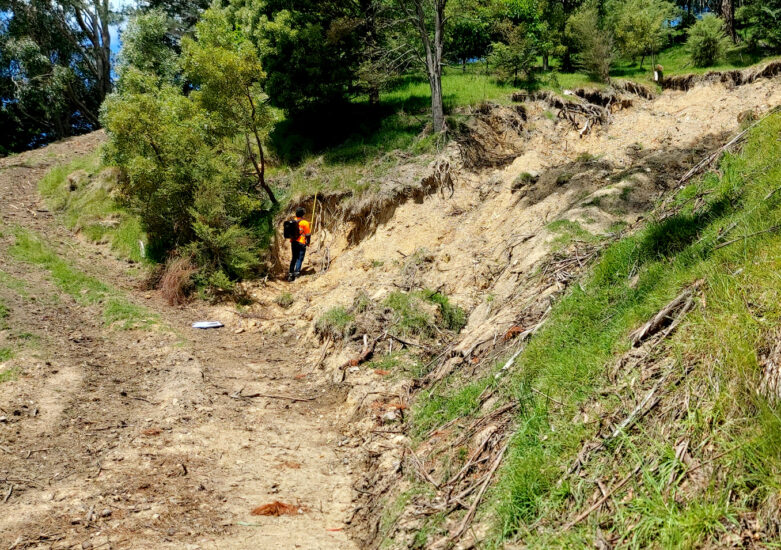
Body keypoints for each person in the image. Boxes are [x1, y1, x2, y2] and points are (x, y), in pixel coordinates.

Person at [288, 207, 311, 281]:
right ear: (303, 214)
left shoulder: (292, 221)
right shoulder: (305, 223)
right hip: (301, 242)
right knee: (300, 258)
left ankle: (291, 273)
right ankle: (297, 272)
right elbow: (308, 234)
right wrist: (308, 242)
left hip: (293, 241)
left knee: (294, 258)